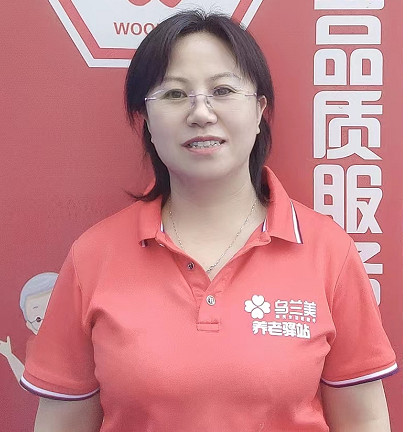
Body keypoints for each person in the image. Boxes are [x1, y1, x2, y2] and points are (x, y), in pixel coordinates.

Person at [21, 9, 397, 432]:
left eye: (222, 90)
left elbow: (365, 420)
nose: (200, 112)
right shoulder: (93, 257)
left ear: (259, 111)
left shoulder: (329, 253)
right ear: (146, 120)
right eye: (174, 94)